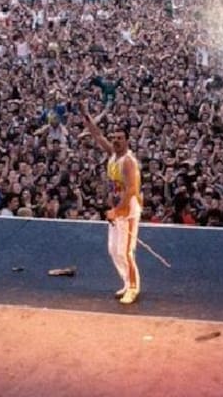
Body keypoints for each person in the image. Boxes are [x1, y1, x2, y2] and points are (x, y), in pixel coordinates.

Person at [82, 105, 142, 304]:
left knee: (125, 251)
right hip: (116, 209)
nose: (115, 140)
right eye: (114, 137)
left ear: (127, 141)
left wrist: (117, 211)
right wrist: (86, 116)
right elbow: (98, 135)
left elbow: (131, 189)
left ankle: (133, 287)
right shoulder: (113, 155)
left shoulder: (128, 162)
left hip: (128, 210)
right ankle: (126, 282)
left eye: (120, 138)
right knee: (113, 249)